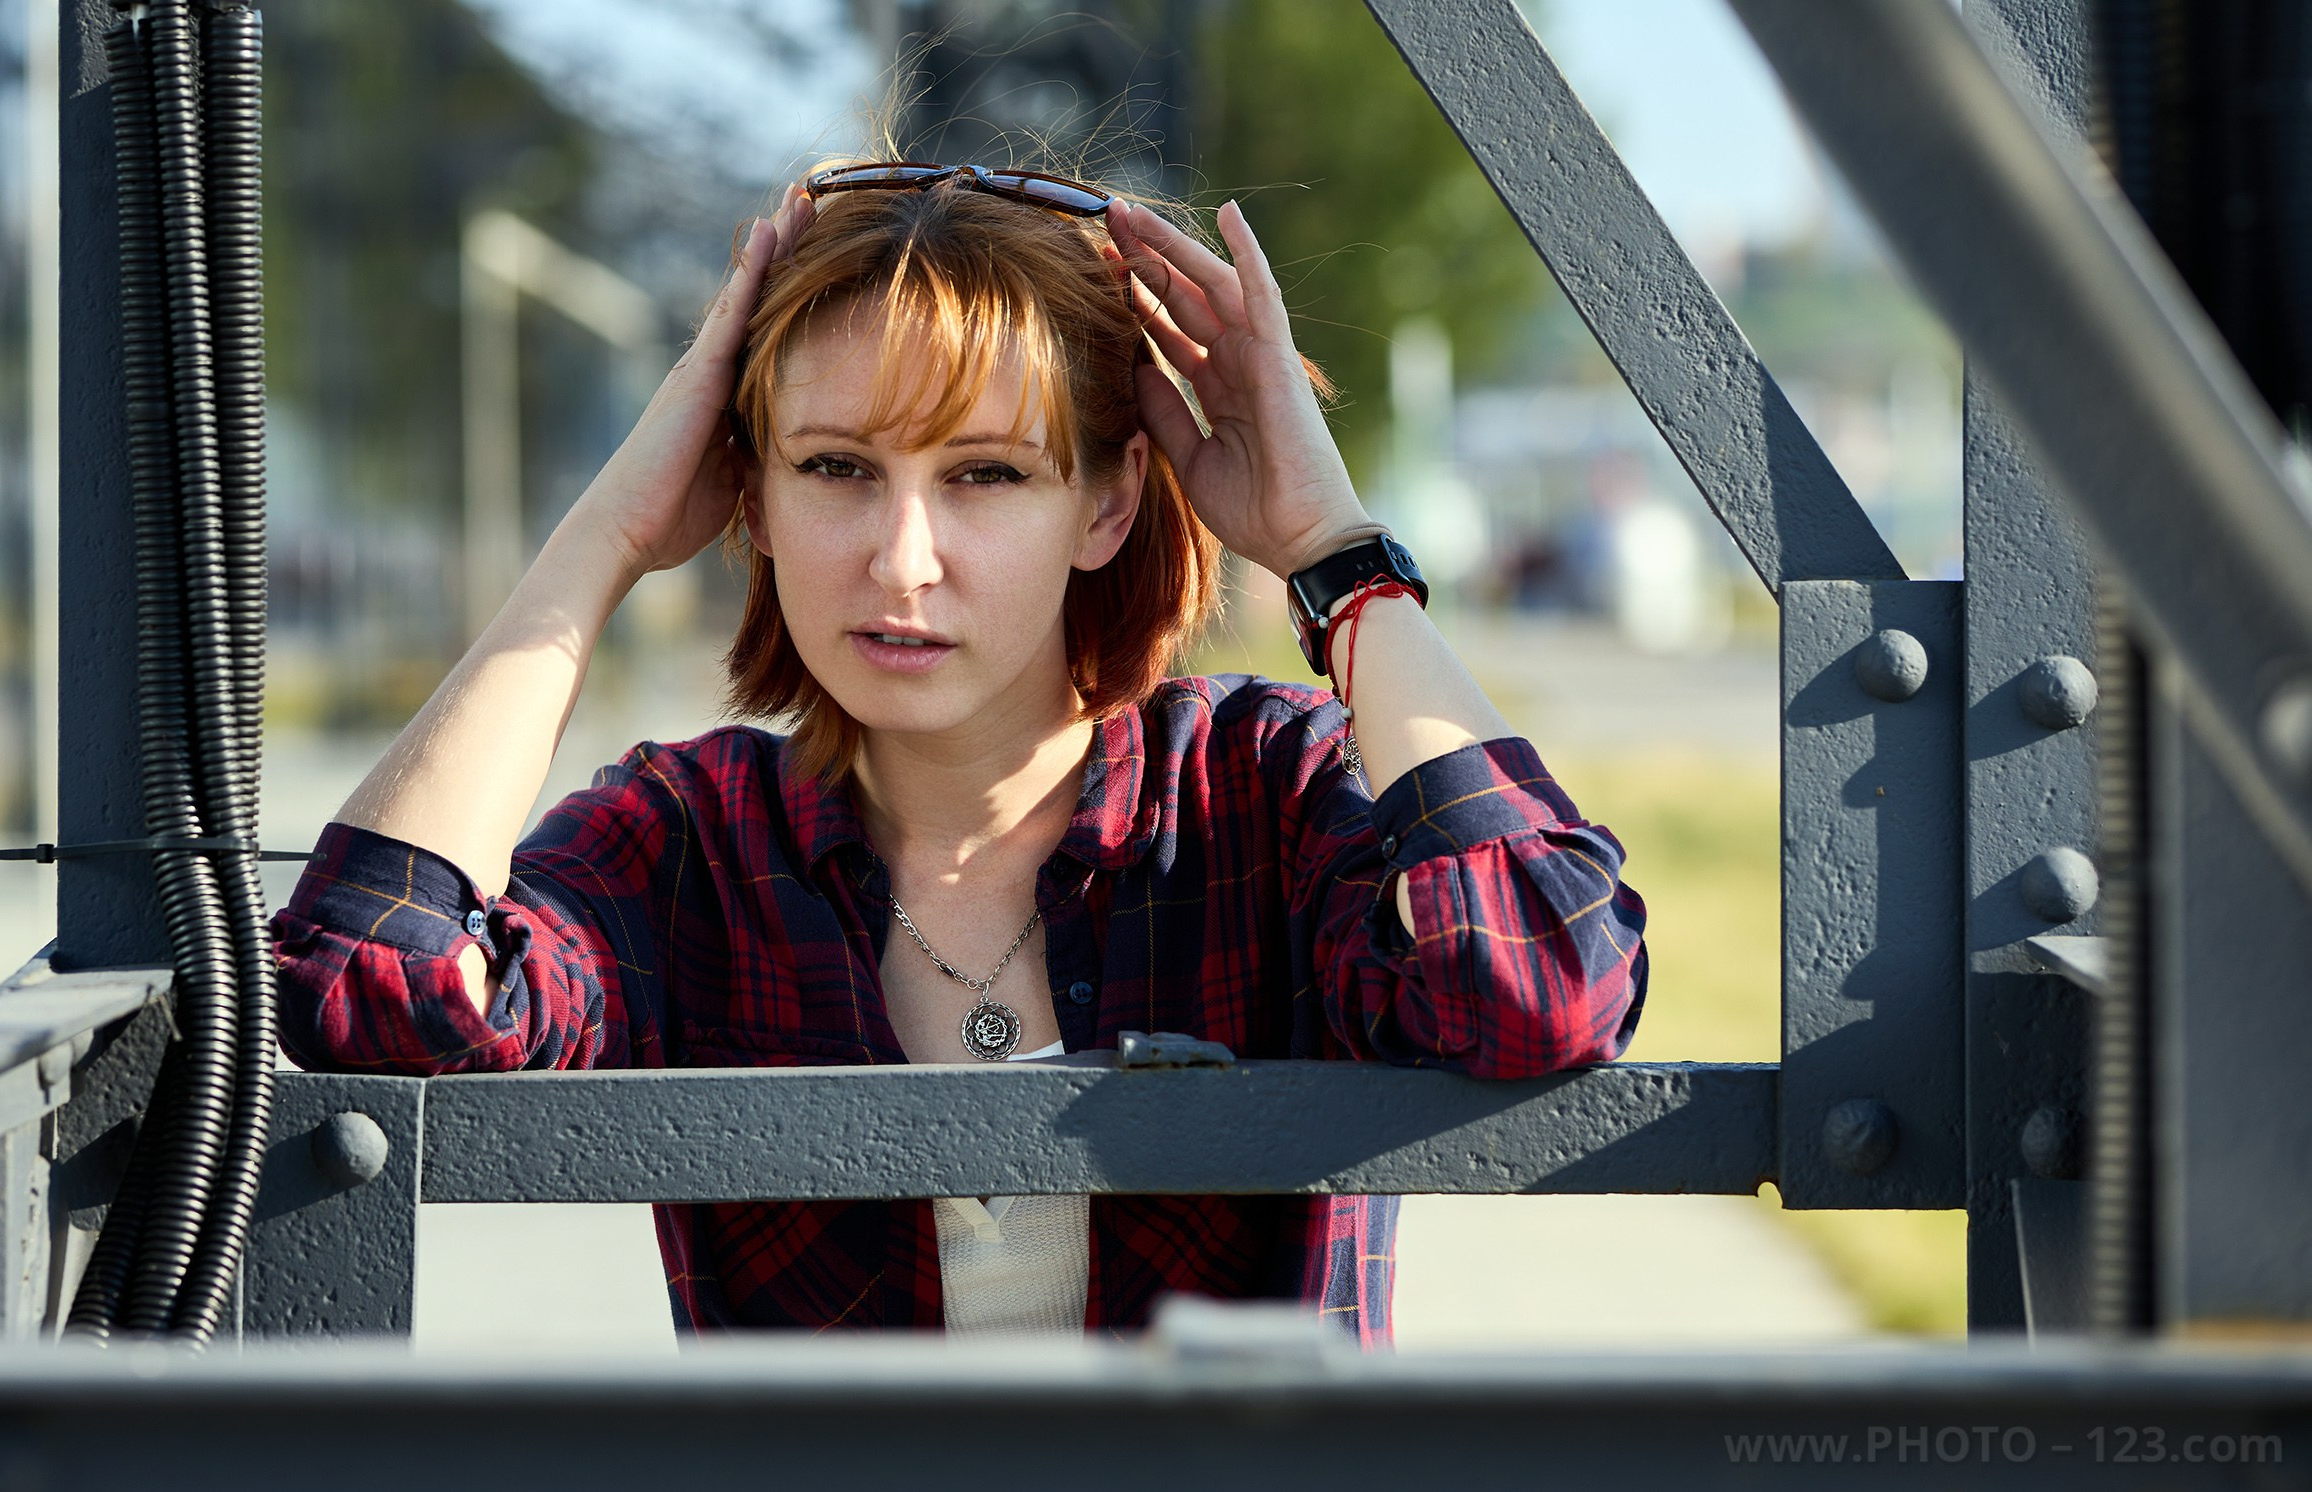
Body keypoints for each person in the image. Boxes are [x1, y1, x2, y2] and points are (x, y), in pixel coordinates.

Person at [271, 159, 1649, 1341]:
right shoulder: (692, 842)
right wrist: (603, 540)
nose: (902, 560)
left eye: (985, 474)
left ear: (1106, 504)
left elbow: (1538, 976)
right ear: (750, 494)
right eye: (835, 469)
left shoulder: (1264, 795)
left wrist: (1335, 558)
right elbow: (367, 987)